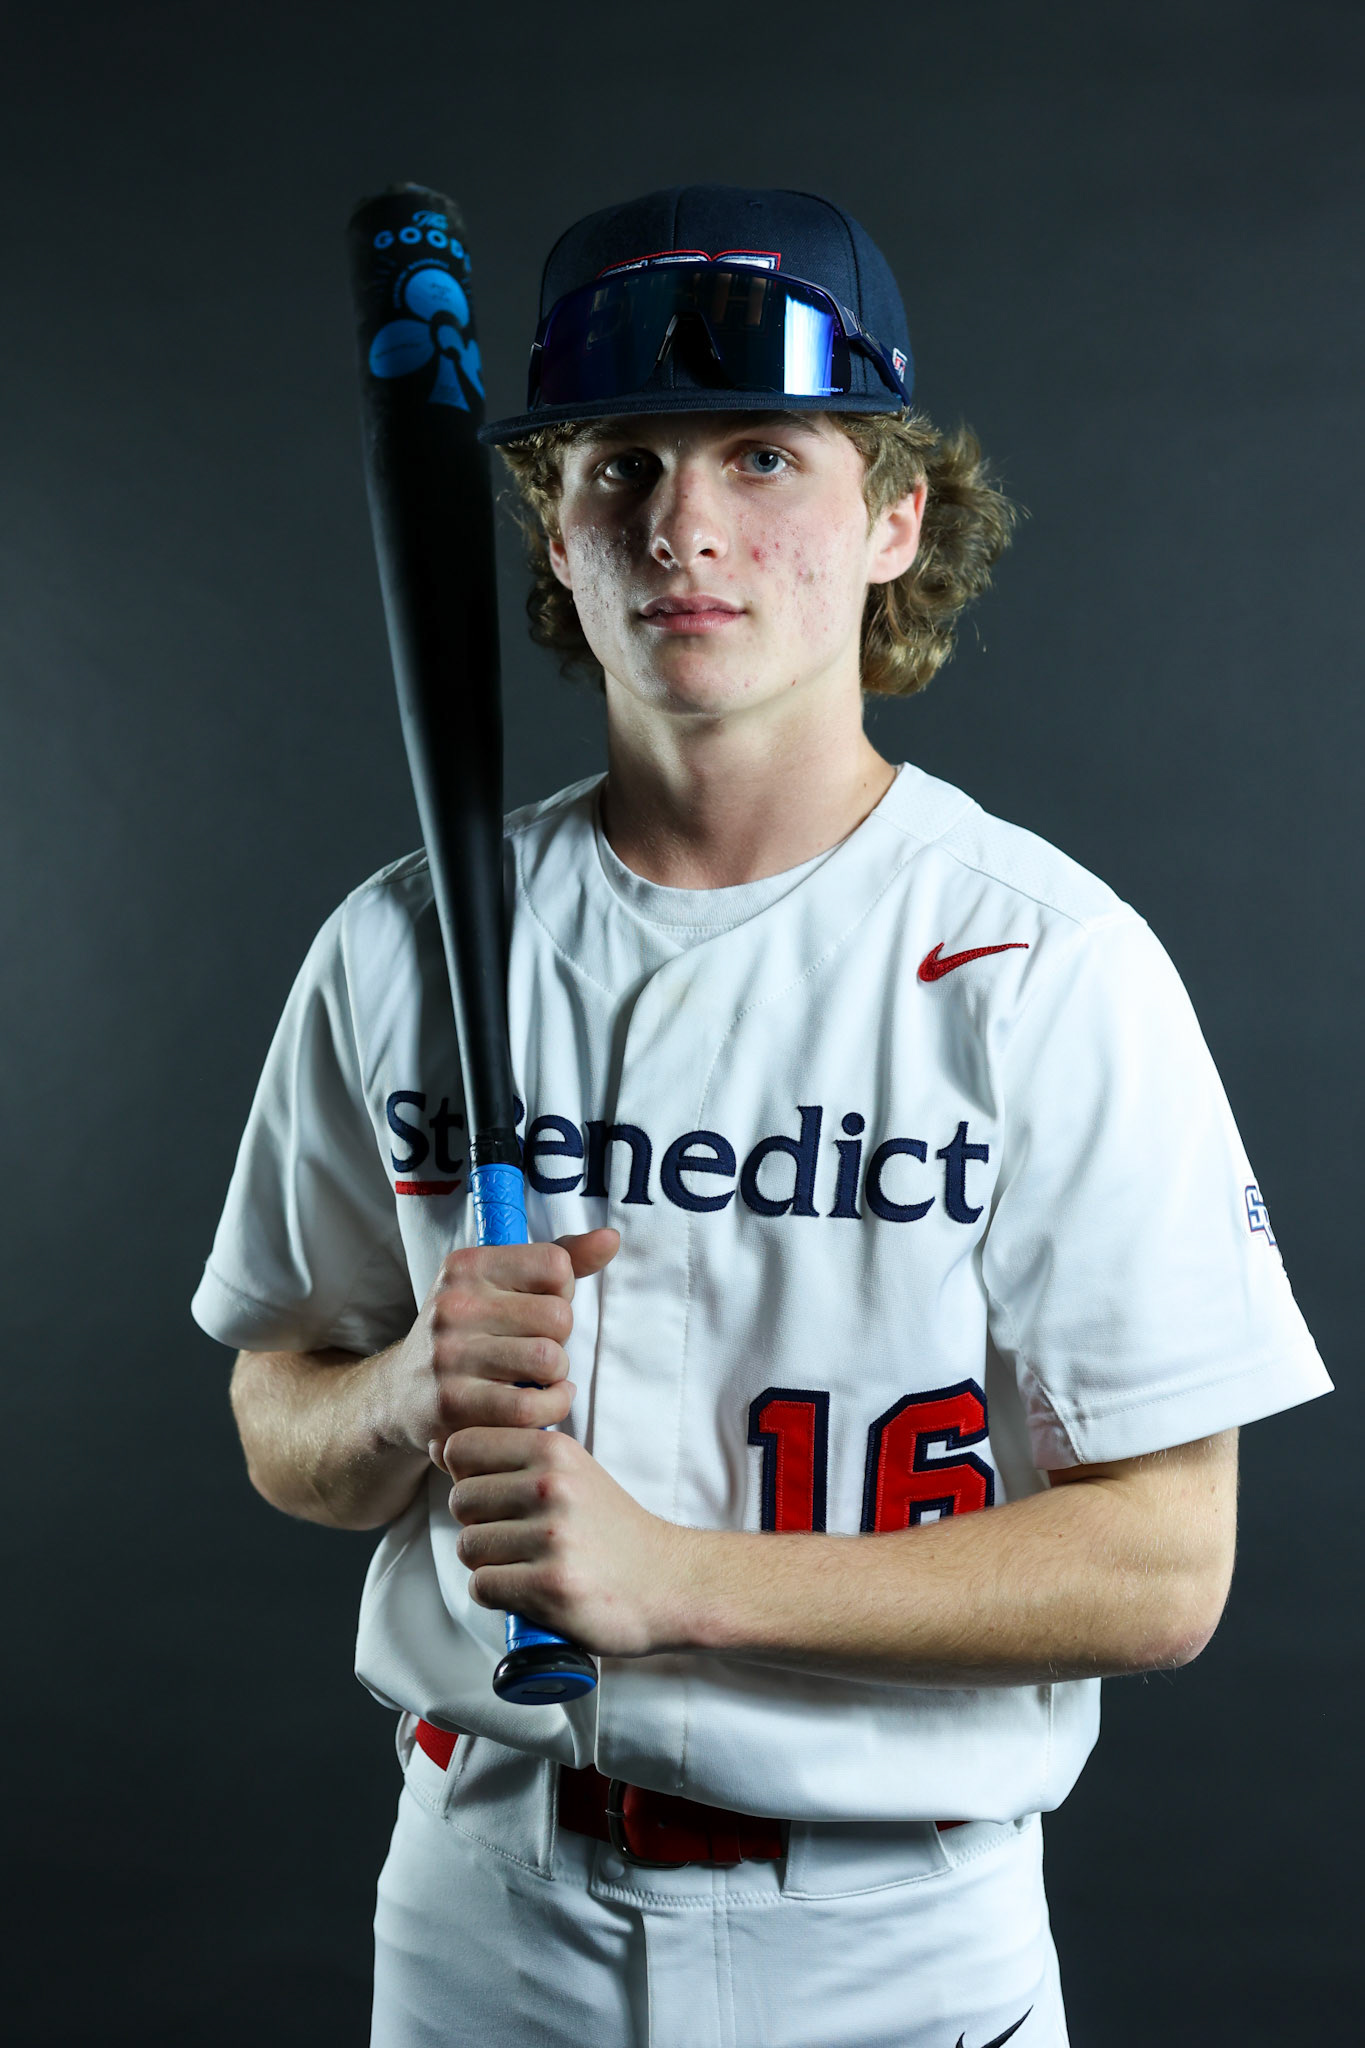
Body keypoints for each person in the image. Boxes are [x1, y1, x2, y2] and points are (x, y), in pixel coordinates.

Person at [194, 185, 1331, 2048]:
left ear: (896, 520)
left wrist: (681, 1587)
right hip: (487, 1914)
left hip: (895, 1942)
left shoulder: (1043, 963)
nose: (685, 526)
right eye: (617, 464)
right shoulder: (396, 943)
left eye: (760, 453)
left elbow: (1165, 1564)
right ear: (550, 538)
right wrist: (406, 1397)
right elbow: (277, 1413)